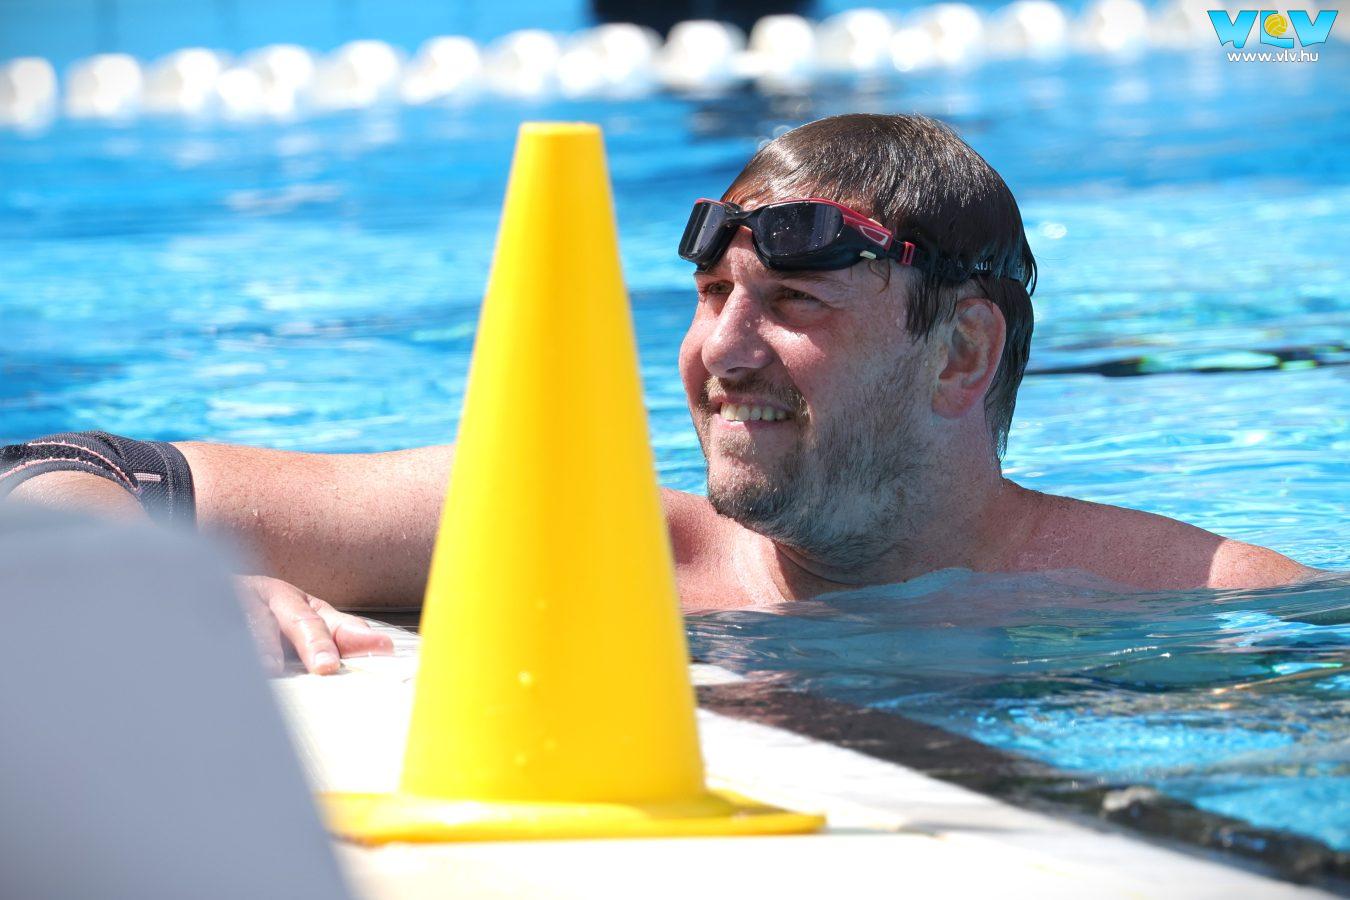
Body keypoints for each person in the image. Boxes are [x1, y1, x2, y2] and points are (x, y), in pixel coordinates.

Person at [1, 114, 1316, 674]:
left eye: (792, 305)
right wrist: (138, 582)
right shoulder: (598, 539)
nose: (718, 353)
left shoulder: (1197, 600)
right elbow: (68, 468)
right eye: (709, 296)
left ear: (961, 354)